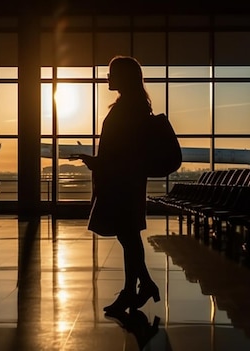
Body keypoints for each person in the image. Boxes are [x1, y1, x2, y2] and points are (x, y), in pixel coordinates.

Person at [77, 55, 160, 313]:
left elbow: (122, 152)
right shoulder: (133, 105)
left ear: (123, 77)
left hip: (121, 183)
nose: (107, 77)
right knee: (128, 236)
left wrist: (98, 163)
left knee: (128, 237)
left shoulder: (127, 109)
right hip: (126, 181)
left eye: (111, 72)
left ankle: (137, 288)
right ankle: (138, 286)